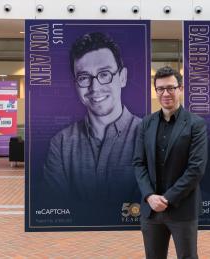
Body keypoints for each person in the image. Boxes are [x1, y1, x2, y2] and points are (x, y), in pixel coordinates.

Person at [42, 32, 141, 225]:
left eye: (104, 74)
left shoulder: (149, 136)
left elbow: (147, 204)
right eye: (84, 77)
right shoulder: (60, 144)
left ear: (122, 77)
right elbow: (57, 204)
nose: (94, 88)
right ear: (76, 85)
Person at [133, 66, 208, 259]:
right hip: (151, 211)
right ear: (156, 91)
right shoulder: (145, 124)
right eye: (160, 89)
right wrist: (150, 196)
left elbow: (196, 168)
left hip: (182, 208)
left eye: (171, 88)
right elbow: (138, 163)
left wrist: (166, 199)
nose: (166, 93)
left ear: (180, 89)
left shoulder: (195, 124)